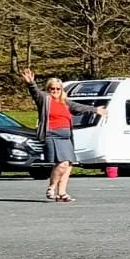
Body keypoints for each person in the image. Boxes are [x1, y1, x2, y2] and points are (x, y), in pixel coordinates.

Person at [22, 68, 82, 202]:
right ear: (48, 90)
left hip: (66, 137)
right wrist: (31, 83)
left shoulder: (65, 102)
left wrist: (96, 110)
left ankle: (62, 193)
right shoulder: (45, 99)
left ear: (62, 90)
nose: (55, 91)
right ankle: (51, 187)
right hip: (52, 135)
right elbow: (35, 92)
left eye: (57, 89)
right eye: (52, 89)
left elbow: (79, 107)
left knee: (68, 165)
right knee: (62, 163)